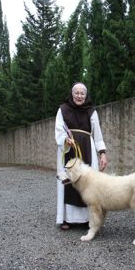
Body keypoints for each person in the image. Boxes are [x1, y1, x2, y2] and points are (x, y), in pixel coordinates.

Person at [55, 82, 108, 230]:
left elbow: (97, 135)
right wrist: (65, 139)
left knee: (89, 184)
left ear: (86, 95)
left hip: (87, 149)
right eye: (76, 93)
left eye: (82, 93)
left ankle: (88, 219)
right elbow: (59, 129)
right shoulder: (63, 110)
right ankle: (66, 219)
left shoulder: (91, 111)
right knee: (67, 183)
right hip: (67, 149)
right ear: (72, 94)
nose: (79, 96)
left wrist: (102, 153)